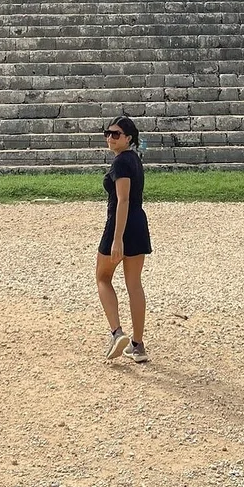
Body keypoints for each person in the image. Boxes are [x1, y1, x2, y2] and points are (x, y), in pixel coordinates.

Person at [95, 115, 152, 362]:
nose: (110, 138)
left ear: (128, 138)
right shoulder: (134, 159)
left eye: (116, 134)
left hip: (121, 225)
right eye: (108, 133)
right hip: (138, 223)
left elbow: (123, 199)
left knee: (102, 277)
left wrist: (117, 238)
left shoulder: (120, 163)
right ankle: (137, 346)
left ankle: (117, 332)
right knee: (134, 284)